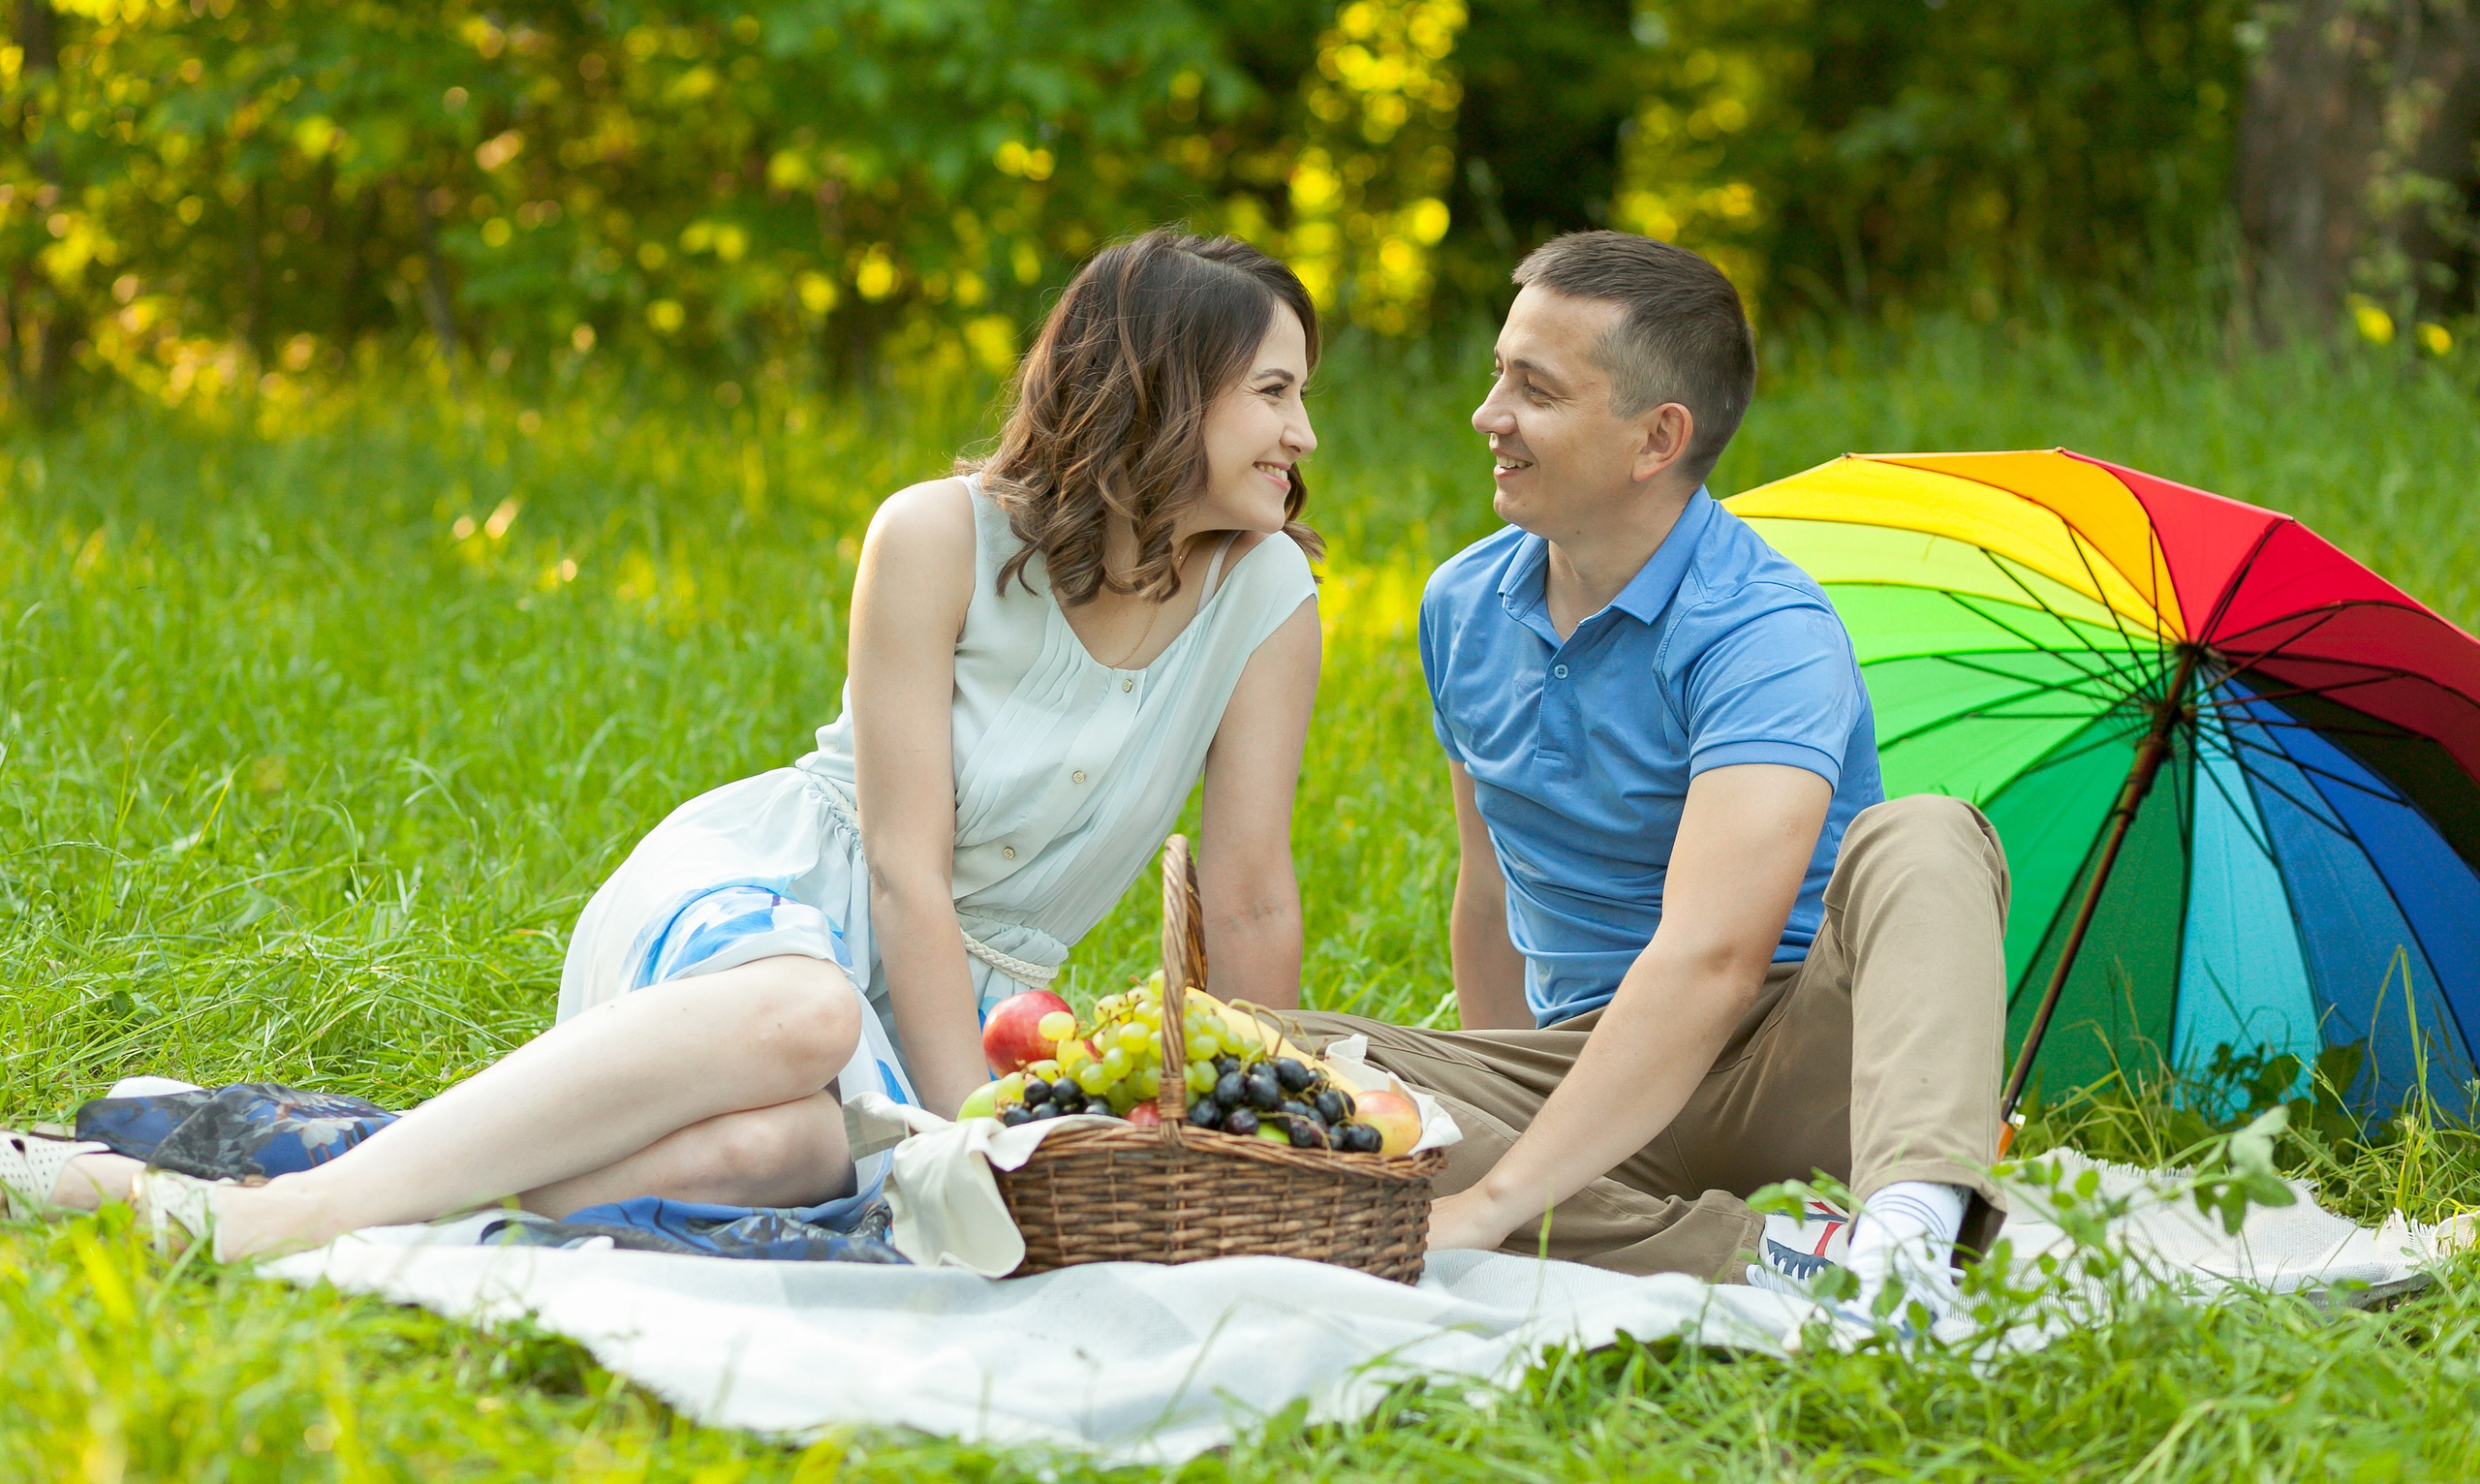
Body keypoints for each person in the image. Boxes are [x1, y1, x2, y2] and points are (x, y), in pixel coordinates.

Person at [4, 227, 1325, 1259]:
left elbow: (1253, 887)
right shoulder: (937, 536)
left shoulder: (1267, 597)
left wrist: (1270, 1146)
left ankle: (277, 1178)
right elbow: (904, 867)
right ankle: (265, 1225)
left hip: (972, 1016)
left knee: (781, 1149)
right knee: (808, 1019)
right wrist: (944, 1126)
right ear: (1164, 387)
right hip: (773, 905)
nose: (1303, 436)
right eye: (1273, 391)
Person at [1283, 231, 2011, 1314]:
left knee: (1928, 832)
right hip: (1587, 1063)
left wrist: (1493, 1202)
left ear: (1654, 438)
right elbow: (1488, 896)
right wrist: (1511, 1121)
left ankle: (1904, 1244)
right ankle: (1765, 1259)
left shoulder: (1764, 630)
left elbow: (1715, 963)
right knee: (1279, 1050)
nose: (1488, 416)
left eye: (1533, 389)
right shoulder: (1461, 605)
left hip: (1785, 1061)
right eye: (1497, 375)